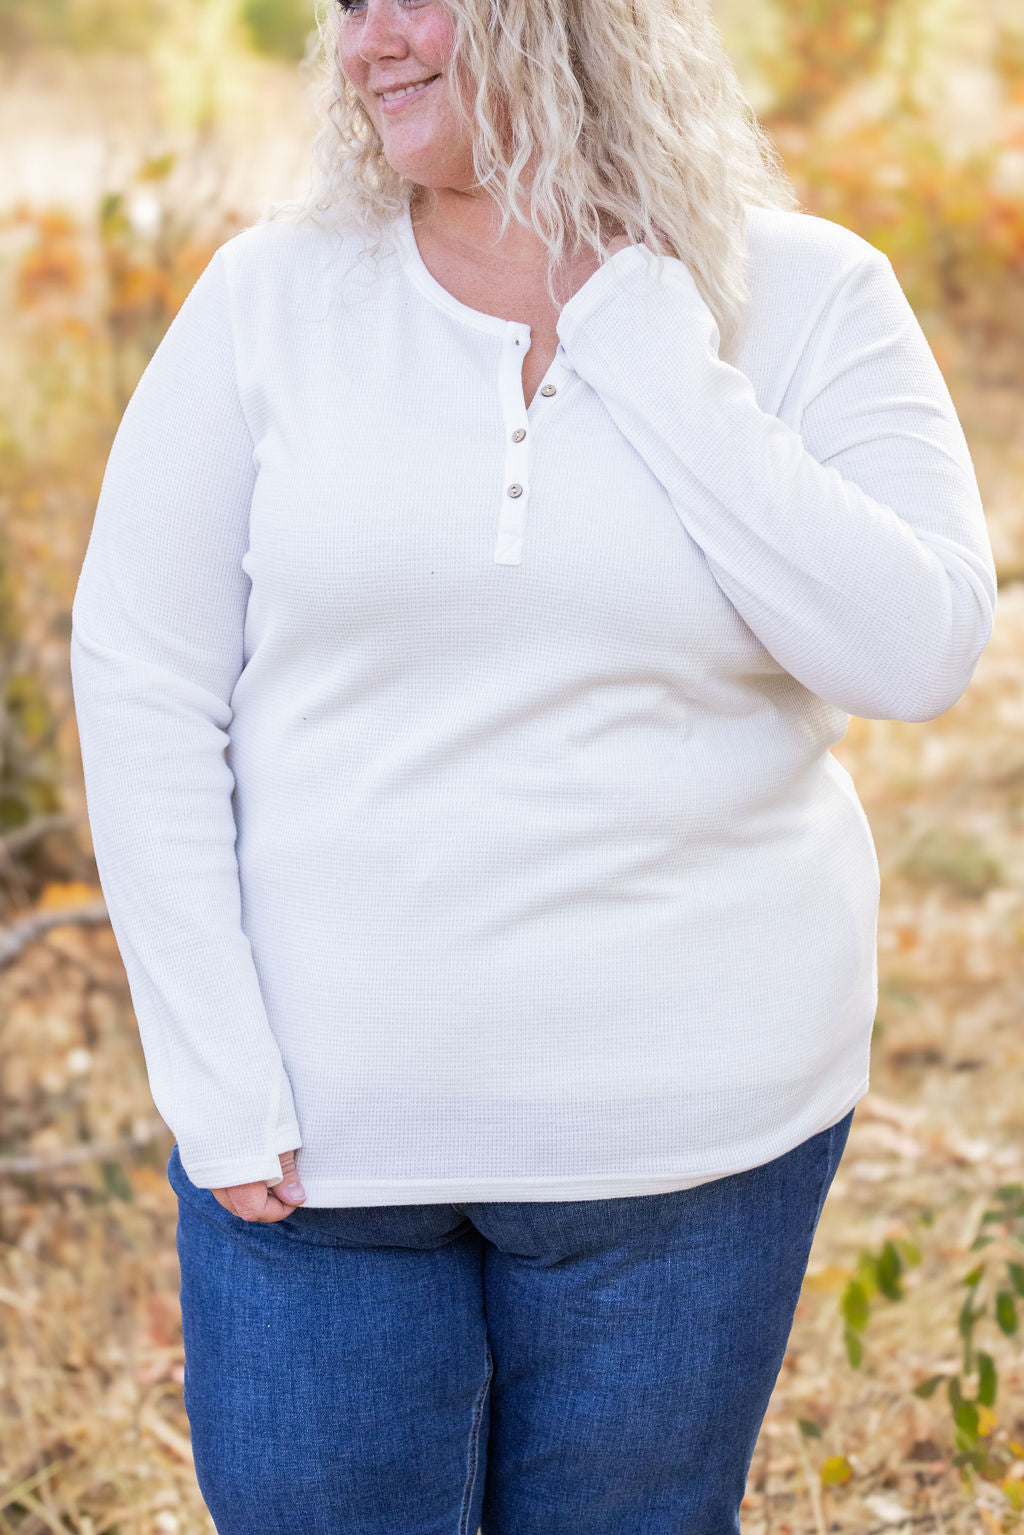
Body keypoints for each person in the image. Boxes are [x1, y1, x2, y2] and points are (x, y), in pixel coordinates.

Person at [68, 0, 997, 1529]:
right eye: (344, 6)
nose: (362, 40)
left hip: (692, 1150)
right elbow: (146, 683)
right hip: (317, 1153)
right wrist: (214, 1069)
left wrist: (646, 339)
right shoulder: (270, 301)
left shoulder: (810, 293)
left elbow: (916, 650)